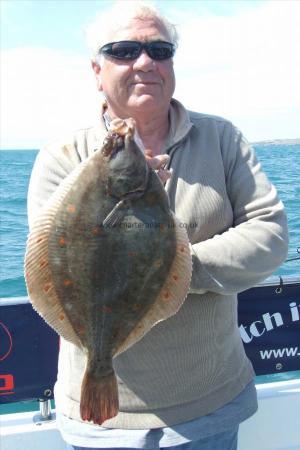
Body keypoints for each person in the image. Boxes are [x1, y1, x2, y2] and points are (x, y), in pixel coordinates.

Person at [27, 2, 289, 449]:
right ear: (97, 70)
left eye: (159, 50)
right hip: (101, 421)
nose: (144, 61)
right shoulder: (64, 157)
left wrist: (176, 266)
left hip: (210, 405)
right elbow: (56, 258)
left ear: (171, 64)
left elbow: (270, 234)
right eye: (124, 50)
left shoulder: (221, 139)